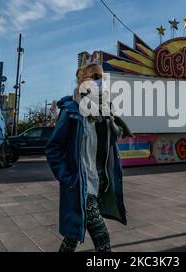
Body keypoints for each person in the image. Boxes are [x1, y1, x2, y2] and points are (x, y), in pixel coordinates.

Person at [45, 63, 132, 252]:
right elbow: (53, 148)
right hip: (82, 187)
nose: (99, 81)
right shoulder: (71, 111)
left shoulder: (105, 113)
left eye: (101, 77)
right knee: (102, 238)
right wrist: (68, 178)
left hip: (99, 183)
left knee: (73, 237)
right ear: (82, 81)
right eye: (94, 77)